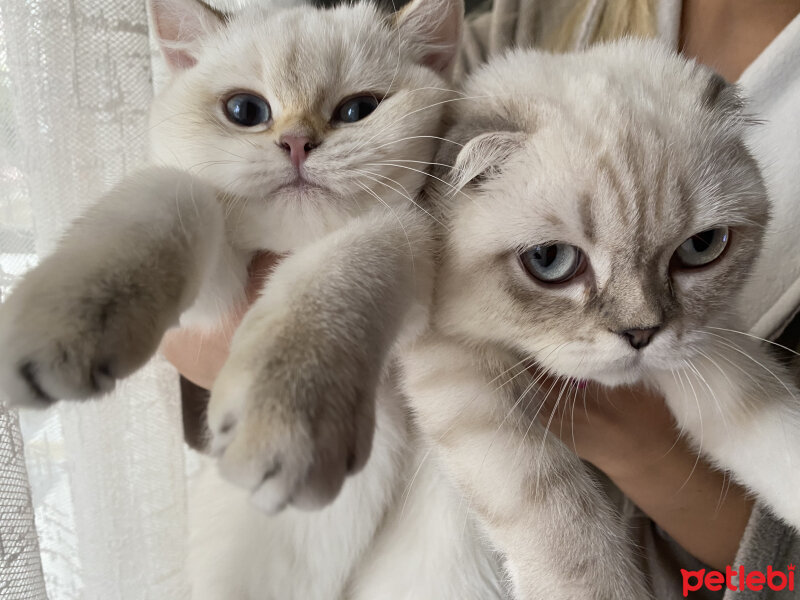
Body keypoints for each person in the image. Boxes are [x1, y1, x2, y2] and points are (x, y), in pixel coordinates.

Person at [162, 0, 800, 597]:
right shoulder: (522, 24)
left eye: (701, 246)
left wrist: (640, 449)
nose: (643, 322)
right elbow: (192, 342)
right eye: (550, 259)